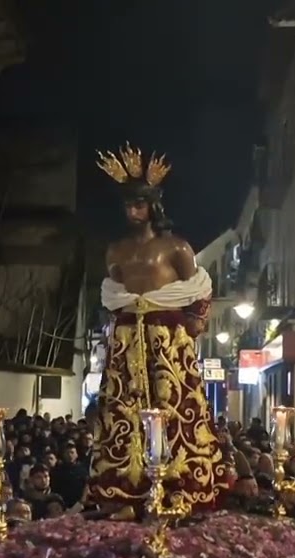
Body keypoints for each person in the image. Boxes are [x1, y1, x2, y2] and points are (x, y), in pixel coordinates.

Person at [90, 145, 223, 512]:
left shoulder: (176, 247)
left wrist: (195, 323)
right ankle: (125, 489)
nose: (133, 212)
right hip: (129, 334)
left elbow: (199, 288)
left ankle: (179, 484)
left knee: (174, 404)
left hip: (168, 333)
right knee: (123, 408)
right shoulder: (115, 250)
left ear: (153, 206)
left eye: (140, 205)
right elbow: (114, 292)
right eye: (128, 206)